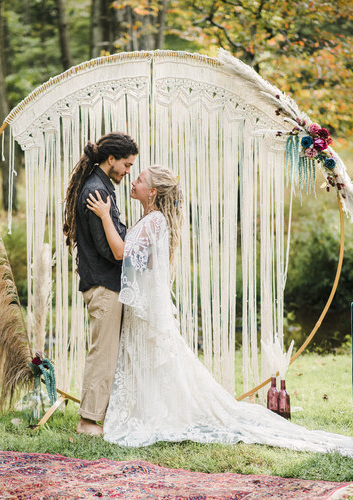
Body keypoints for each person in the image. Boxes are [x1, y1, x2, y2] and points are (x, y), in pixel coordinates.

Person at [87, 164, 353, 456]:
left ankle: (161, 413)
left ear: (152, 191)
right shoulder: (153, 219)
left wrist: (103, 216)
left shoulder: (154, 221)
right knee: (152, 363)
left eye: (139, 179)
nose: (133, 180)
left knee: (159, 362)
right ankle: (152, 407)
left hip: (147, 311)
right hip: (146, 307)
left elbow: (120, 252)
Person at [63, 132, 138, 435]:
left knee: (106, 352)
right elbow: (109, 250)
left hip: (104, 283)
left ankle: (97, 416)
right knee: (103, 353)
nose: (129, 171)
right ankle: (88, 421)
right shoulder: (98, 192)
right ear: (112, 160)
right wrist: (132, 240)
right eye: (127, 164)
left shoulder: (99, 185)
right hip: (105, 285)